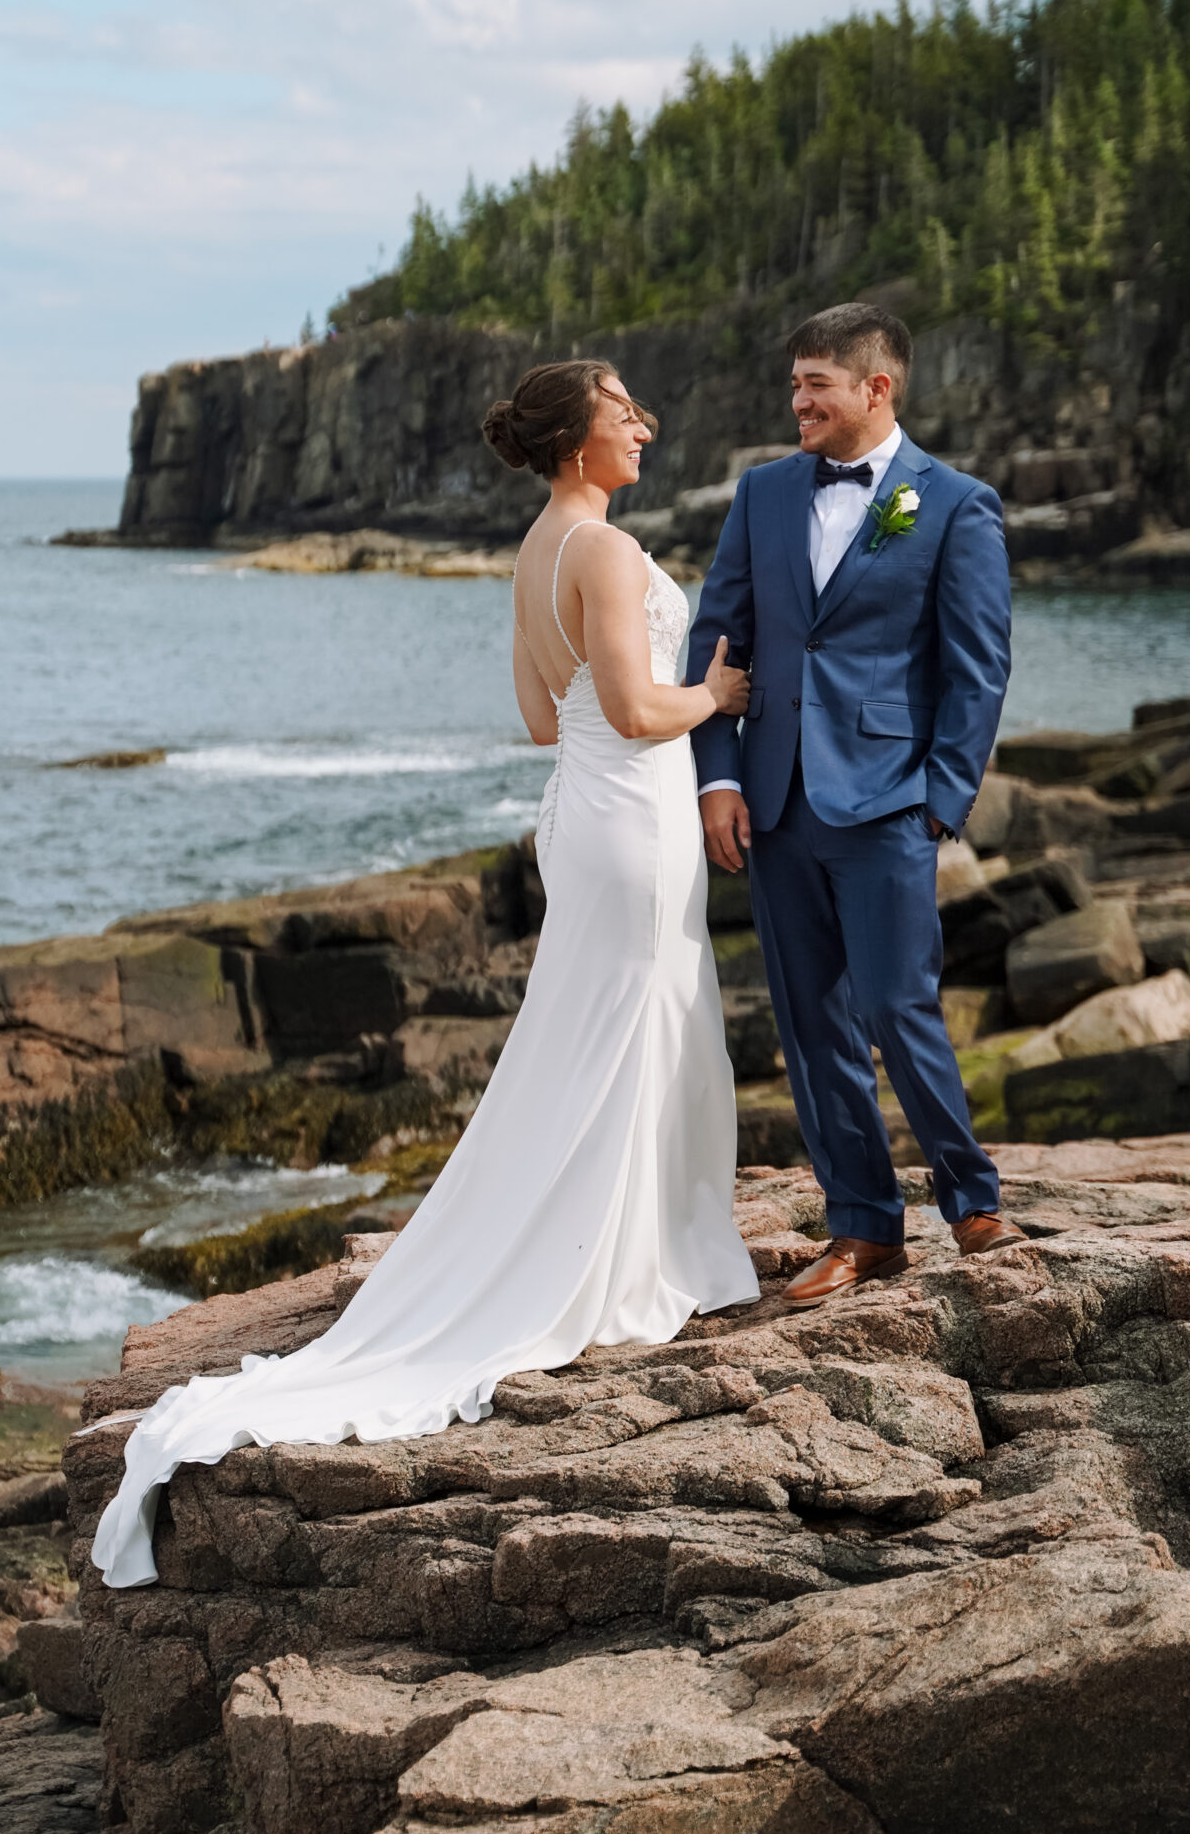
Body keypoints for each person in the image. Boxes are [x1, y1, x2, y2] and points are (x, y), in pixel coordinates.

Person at [89, 358, 757, 1589]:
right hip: (637, 822)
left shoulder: (535, 547)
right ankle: (628, 1256)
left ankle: (617, 1237)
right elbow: (627, 700)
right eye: (624, 413)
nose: (645, 426)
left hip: (588, 812)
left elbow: (541, 719)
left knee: (610, 1025)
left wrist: (642, 714)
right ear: (574, 440)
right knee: (639, 1024)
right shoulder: (602, 550)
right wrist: (709, 691)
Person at [688, 302, 1024, 1305]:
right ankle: (864, 1226)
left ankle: (973, 1199)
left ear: (877, 388)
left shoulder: (956, 504)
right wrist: (716, 776)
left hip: (888, 803)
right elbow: (717, 641)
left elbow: (979, 666)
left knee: (895, 1003)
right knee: (812, 1022)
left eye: (816, 386)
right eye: (793, 385)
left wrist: (940, 801)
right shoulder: (762, 494)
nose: (798, 402)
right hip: (776, 799)